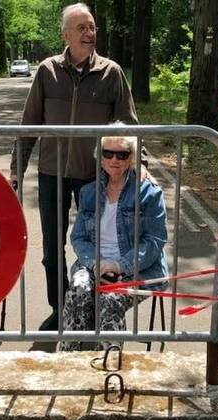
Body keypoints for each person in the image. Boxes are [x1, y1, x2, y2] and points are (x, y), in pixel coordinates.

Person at [9, 2, 138, 331]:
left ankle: (96, 309)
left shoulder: (112, 73)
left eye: (92, 26)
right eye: (81, 28)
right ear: (65, 34)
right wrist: (16, 172)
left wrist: (139, 169)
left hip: (95, 179)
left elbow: (130, 127)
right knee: (53, 250)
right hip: (52, 175)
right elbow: (29, 126)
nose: (89, 33)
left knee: (98, 247)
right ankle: (61, 308)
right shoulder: (47, 71)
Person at [58, 135, 167, 351]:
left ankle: (109, 365)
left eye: (122, 154)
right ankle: (68, 358)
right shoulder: (89, 192)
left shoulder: (150, 193)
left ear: (131, 157)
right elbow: (78, 237)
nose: (114, 159)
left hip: (137, 267)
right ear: (100, 157)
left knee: (111, 297)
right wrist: (95, 264)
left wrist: (119, 267)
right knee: (78, 290)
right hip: (94, 263)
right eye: (108, 153)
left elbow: (155, 241)